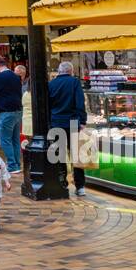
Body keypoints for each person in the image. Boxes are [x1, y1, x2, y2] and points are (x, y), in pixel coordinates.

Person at [47, 60, 89, 196]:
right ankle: (80, 186)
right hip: (73, 122)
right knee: (76, 155)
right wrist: (82, 120)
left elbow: (48, 104)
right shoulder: (74, 82)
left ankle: (62, 183)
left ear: (59, 71)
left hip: (56, 122)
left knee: (60, 155)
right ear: (71, 71)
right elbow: (80, 102)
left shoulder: (51, 84)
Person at [0, 56, 24, 173]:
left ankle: (12, 165)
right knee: (15, 140)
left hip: (5, 113)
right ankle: (17, 164)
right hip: (18, 111)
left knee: (5, 141)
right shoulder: (16, 76)